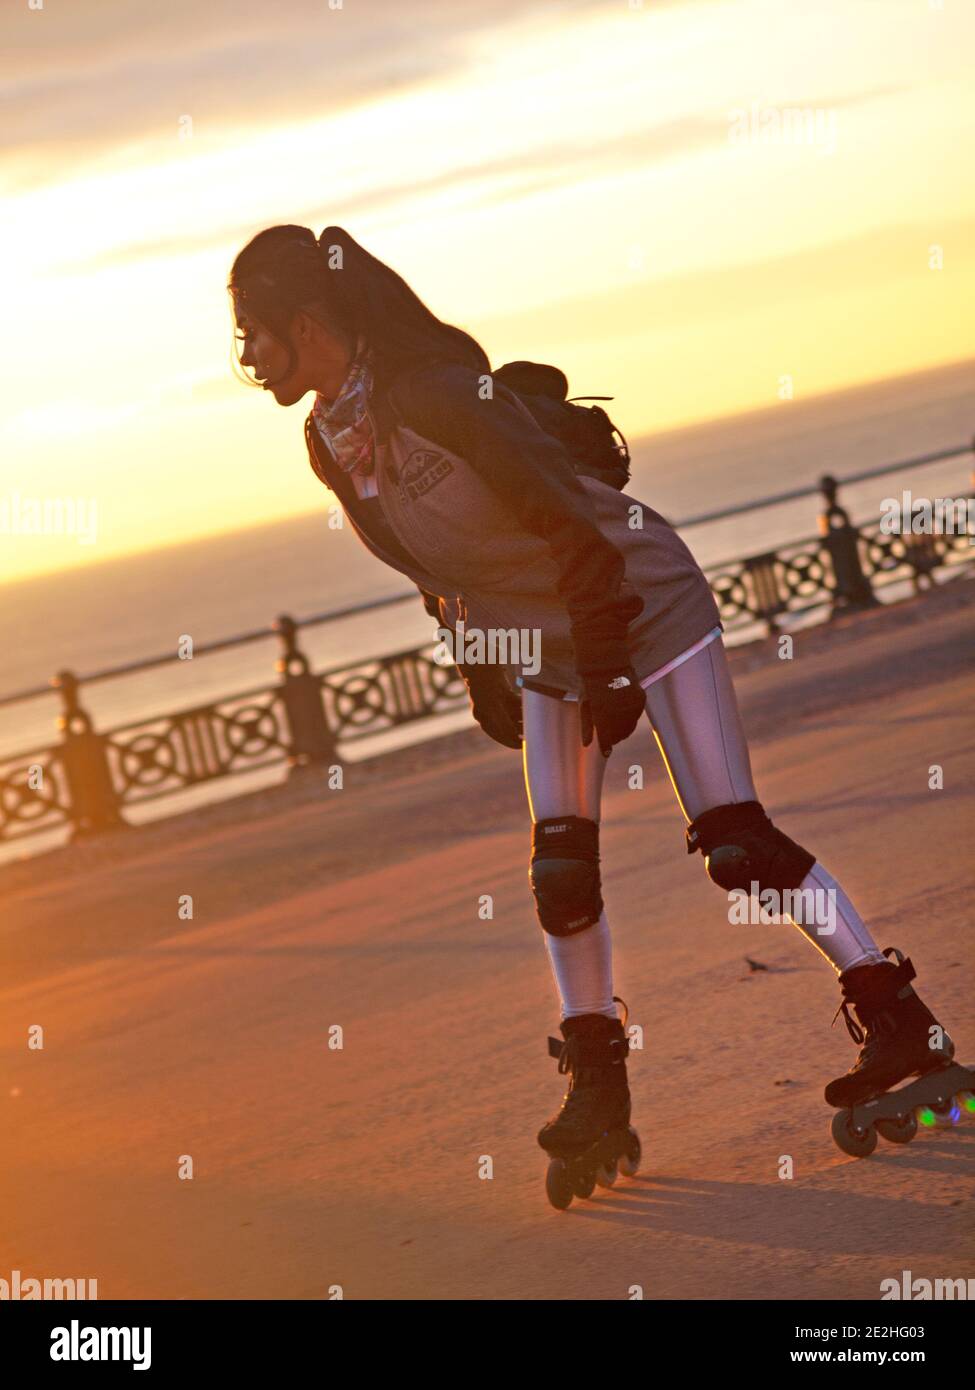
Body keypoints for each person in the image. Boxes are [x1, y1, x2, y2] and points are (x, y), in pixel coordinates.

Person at [228, 223, 953, 1190]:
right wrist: (486, 664)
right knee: (559, 873)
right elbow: (431, 570)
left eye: (253, 335)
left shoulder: (440, 396)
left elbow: (572, 529)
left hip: (637, 599)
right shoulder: (327, 441)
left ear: (307, 323)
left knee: (734, 843)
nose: (247, 359)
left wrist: (608, 664)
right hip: (540, 637)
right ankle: (597, 1091)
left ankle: (900, 1018)